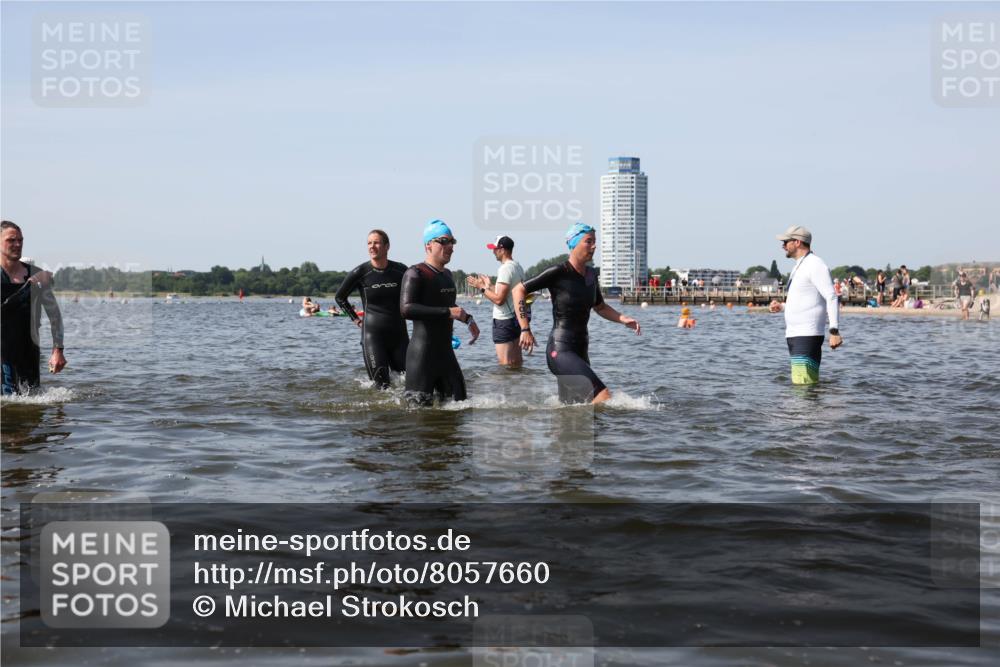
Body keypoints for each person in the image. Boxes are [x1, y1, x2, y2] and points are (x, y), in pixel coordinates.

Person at [512, 223, 640, 404]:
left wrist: (622, 318)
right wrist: (525, 328)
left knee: (571, 410)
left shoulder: (591, 275)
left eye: (595, 242)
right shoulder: (558, 272)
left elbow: (600, 307)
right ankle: (609, 431)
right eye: (588, 241)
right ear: (574, 244)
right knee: (603, 397)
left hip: (581, 350)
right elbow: (518, 290)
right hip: (561, 350)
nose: (594, 246)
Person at [400, 220, 479, 405]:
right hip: (421, 356)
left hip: (445, 354)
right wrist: (448, 312)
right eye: (444, 241)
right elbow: (406, 309)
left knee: (461, 407)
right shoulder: (415, 273)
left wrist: (468, 320)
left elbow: (452, 311)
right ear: (428, 244)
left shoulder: (448, 276)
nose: (450, 246)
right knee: (419, 420)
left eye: (452, 242)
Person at [335, 230, 409, 389]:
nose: (372, 246)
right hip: (373, 336)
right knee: (381, 387)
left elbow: (417, 294)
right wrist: (355, 319)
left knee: (408, 383)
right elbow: (340, 297)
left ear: (387, 246)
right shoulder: (360, 273)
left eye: (376, 242)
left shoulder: (401, 271)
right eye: (369, 243)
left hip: (399, 335)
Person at [770, 225, 842, 385]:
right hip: (795, 334)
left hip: (807, 334)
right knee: (804, 385)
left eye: (785, 241)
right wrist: (782, 307)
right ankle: (810, 410)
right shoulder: (800, 265)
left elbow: (831, 296)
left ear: (797, 242)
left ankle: (805, 411)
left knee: (802, 387)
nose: (782, 245)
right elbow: (805, 300)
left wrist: (834, 330)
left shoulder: (815, 264)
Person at [1, 221, 66, 395]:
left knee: (32, 404)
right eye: (11, 240)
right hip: (2, 353)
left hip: (29, 351)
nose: (17, 244)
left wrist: (57, 350)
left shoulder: (36, 275)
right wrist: (28, 287)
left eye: (20, 240)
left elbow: (55, 316)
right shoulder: (35, 279)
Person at [466, 235, 525, 368]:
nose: (493, 252)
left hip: (504, 321)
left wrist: (480, 287)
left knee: (504, 366)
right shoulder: (517, 267)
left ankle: (505, 388)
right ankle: (520, 386)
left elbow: (499, 300)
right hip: (515, 320)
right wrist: (488, 286)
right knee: (516, 363)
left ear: (502, 250)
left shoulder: (505, 269)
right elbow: (506, 293)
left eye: (495, 249)